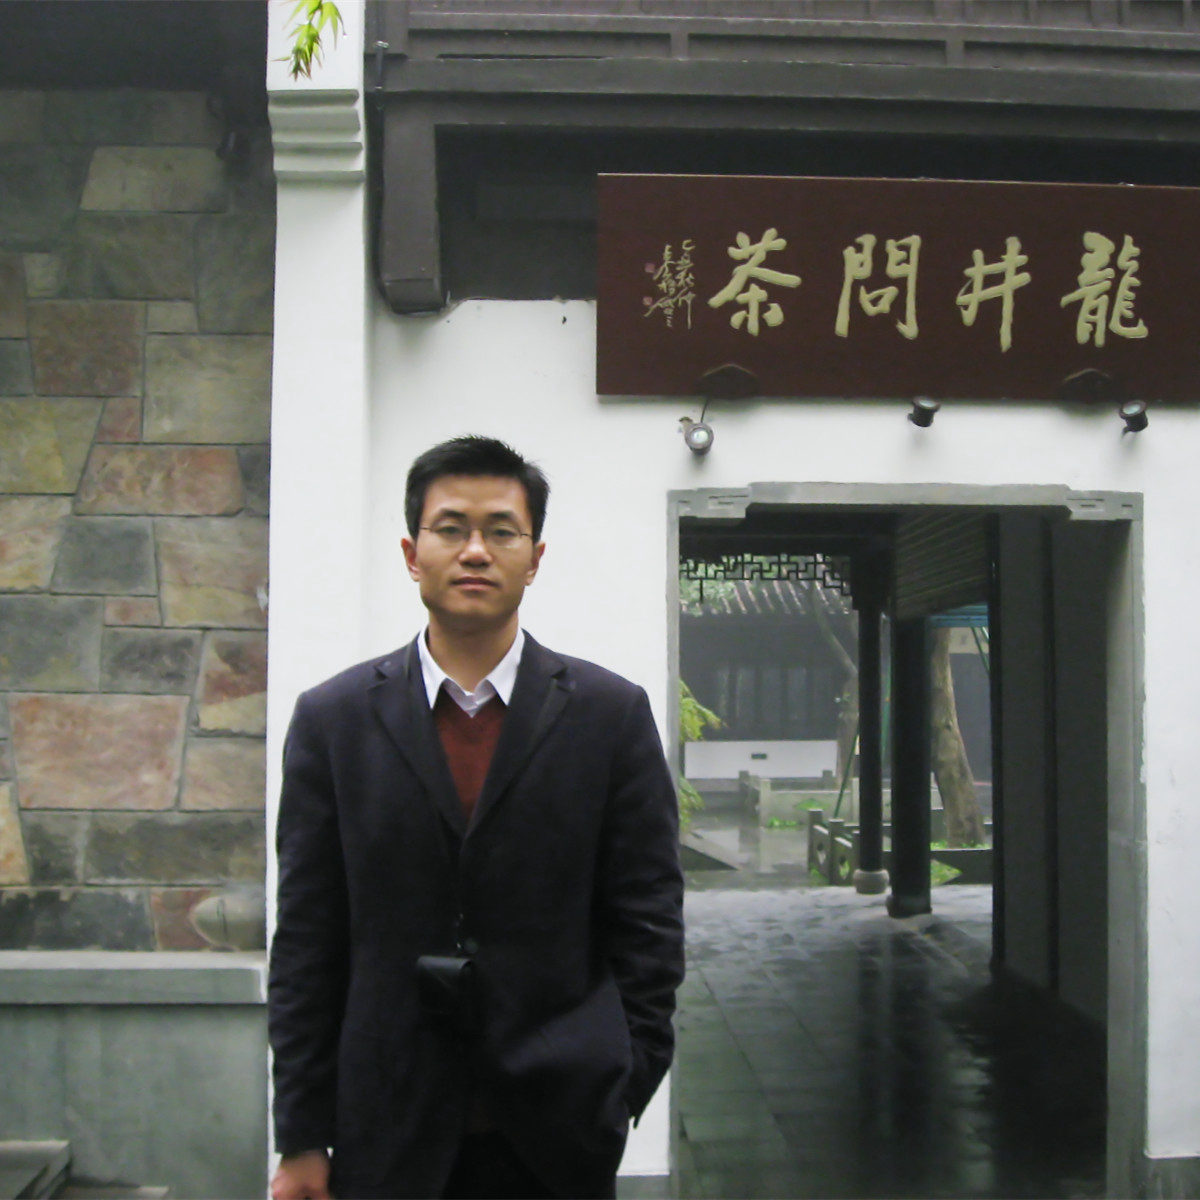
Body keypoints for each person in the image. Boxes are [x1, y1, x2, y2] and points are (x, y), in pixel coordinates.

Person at [268, 435, 685, 1200]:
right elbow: (306, 941)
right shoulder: (334, 720)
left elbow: (648, 921)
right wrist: (300, 1134)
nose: (475, 551)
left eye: (501, 531)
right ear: (411, 552)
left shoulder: (609, 716)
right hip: (386, 1129)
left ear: (535, 557)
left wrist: (620, 1084)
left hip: (557, 1132)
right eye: (451, 528)